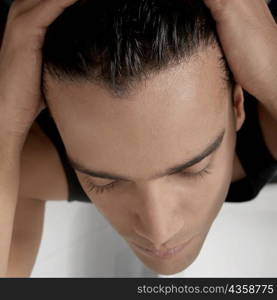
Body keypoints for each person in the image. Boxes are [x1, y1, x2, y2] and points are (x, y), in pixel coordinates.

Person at [0, 0, 276, 277]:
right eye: (105, 181)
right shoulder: (34, 149)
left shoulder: (261, 77)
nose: (159, 232)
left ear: (238, 104)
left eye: (194, 168)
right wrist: (6, 127)